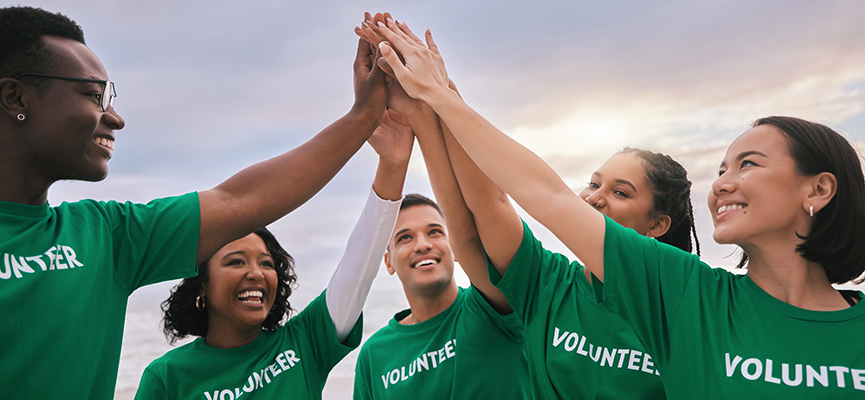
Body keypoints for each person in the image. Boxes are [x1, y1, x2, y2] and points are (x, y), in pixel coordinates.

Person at [373, 19, 865, 399]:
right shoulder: (686, 294)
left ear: (818, 190)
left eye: (748, 165)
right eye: (720, 170)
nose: (722, 185)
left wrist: (438, 100)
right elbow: (526, 200)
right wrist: (435, 98)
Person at [0, 6, 387, 399]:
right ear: (16, 99)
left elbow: (240, 200)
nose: (115, 118)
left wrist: (365, 116)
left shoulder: (107, 235)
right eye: (92, 95)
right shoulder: (167, 374)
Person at [360, 16, 700, 398]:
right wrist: (430, 105)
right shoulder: (551, 284)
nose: (595, 197)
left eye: (621, 192)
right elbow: (483, 210)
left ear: (657, 224)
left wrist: (440, 95)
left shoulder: (686, 298)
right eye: (593, 183)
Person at [134, 108, 411, 399]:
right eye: (236, 262)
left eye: (267, 264)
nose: (256, 274)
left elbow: (359, 265)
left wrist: (393, 163)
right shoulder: (167, 376)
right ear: (201, 284)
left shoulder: (305, 341)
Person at [353, 15, 531, 398]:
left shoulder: (492, 306)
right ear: (387, 260)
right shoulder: (374, 355)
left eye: (435, 231)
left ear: (451, 243)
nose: (423, 244)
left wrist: (435, 98)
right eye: (403, 238)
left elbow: (477, 210)